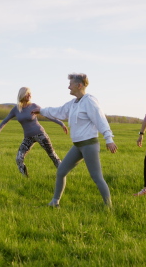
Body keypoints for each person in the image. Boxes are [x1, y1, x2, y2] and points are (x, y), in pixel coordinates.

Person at [32, 73, 118, 207]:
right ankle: (55, 202)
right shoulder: (73, 103)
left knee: (97, 177)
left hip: (89, 145)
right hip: (78, 146)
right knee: (61, 171)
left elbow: (100, 119)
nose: (68, 87)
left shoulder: (89, 100)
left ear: (79, 85)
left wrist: (108, 138)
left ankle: (109, 207)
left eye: (70, 84)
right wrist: (41, 110)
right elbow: (58, 111)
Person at [0, 87, 67, 177]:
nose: (30, 95)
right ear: (22, 94)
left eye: (30, 93)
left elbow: (47, 115)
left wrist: (61, 123)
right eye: (27, 93)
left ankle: (63, 174)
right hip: (28, 137)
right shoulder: (16, 109)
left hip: (40, 134)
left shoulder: (34, 106)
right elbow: (5, 120)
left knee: (53, 156)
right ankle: (25, 178)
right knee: (19, 159)